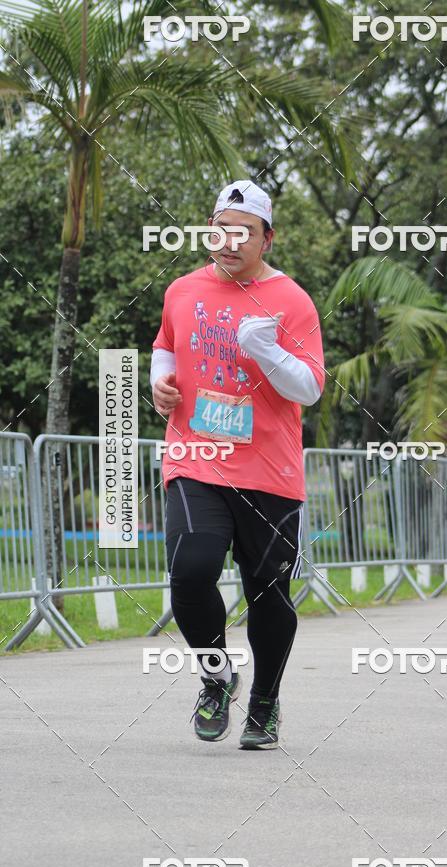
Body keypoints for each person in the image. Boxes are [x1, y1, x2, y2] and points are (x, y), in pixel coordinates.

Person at [150, 180, 325, 747]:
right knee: (190, 571)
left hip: (268, 472)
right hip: (195, 459)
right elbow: (165, 346)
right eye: (221, 230)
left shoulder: (292, 302)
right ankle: (216, 675)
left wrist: (267, 350)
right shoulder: (181, 289)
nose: (229, 242)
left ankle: (265, 704)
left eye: (243, 232)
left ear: (266, 239)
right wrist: (160, 385)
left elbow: (310, 389)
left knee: (267, 595)